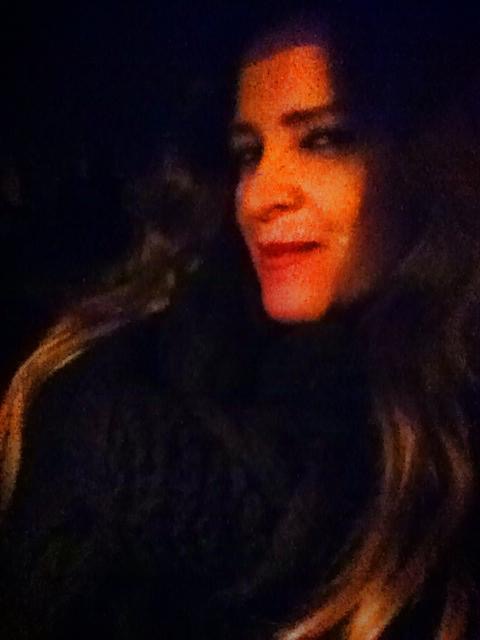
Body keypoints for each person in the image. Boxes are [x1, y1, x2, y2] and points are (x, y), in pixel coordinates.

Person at [0, 2, 479, 638]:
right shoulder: (105, 376)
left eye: (324, 140)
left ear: (424, 165)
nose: (259, 195)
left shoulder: (447, 448)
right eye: (248, 153)